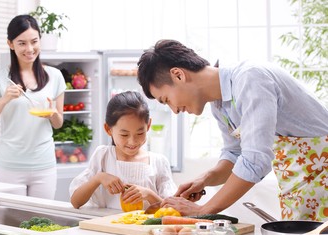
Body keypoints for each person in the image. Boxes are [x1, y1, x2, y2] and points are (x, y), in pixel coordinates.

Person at [137, 39, 328, 221]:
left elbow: (255, 160)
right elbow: (236, 154)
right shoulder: (219, 105)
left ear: (178, 75)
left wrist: (203, 210)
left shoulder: (251, 78)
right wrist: (205, 179)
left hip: (321, 172)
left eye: (166, 99)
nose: (174, 110)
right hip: (304, 182)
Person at [0, 15, 66, 199]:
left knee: (40, 222)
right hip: (10, 166)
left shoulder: (55, 76)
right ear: (10, 44)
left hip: (44, 165)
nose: (29, 49)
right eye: (22, 43)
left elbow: (58, 124)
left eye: (34, 41)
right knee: (11, 224)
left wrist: (53, 114)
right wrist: (4, 99)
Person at [69, 91, 176, 210]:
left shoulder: (159, 162)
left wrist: (149, 195)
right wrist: (98, 178)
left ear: (149, 125)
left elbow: (170, 209)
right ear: (108, 129)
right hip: (106, 227)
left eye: (140, 133)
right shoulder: (103, 156)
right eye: (124, 135)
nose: (132, 141)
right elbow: (76, 202)